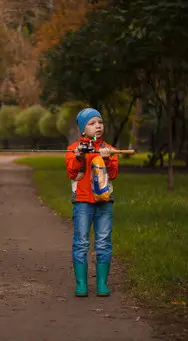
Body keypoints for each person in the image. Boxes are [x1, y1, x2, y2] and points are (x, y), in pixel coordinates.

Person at [65, 108, 119, 297]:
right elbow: (72, 173)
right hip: (82, 202)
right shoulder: (73, 149)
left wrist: (108, 159)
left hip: (105, 202)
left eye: (100, 122)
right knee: (81, 242)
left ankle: (102, 284)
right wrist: (79, 156)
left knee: (103, 242)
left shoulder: (109, 149)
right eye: (92, 123)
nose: (98, 126)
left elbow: (112, 175)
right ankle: (81, 284)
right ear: (82, 129)